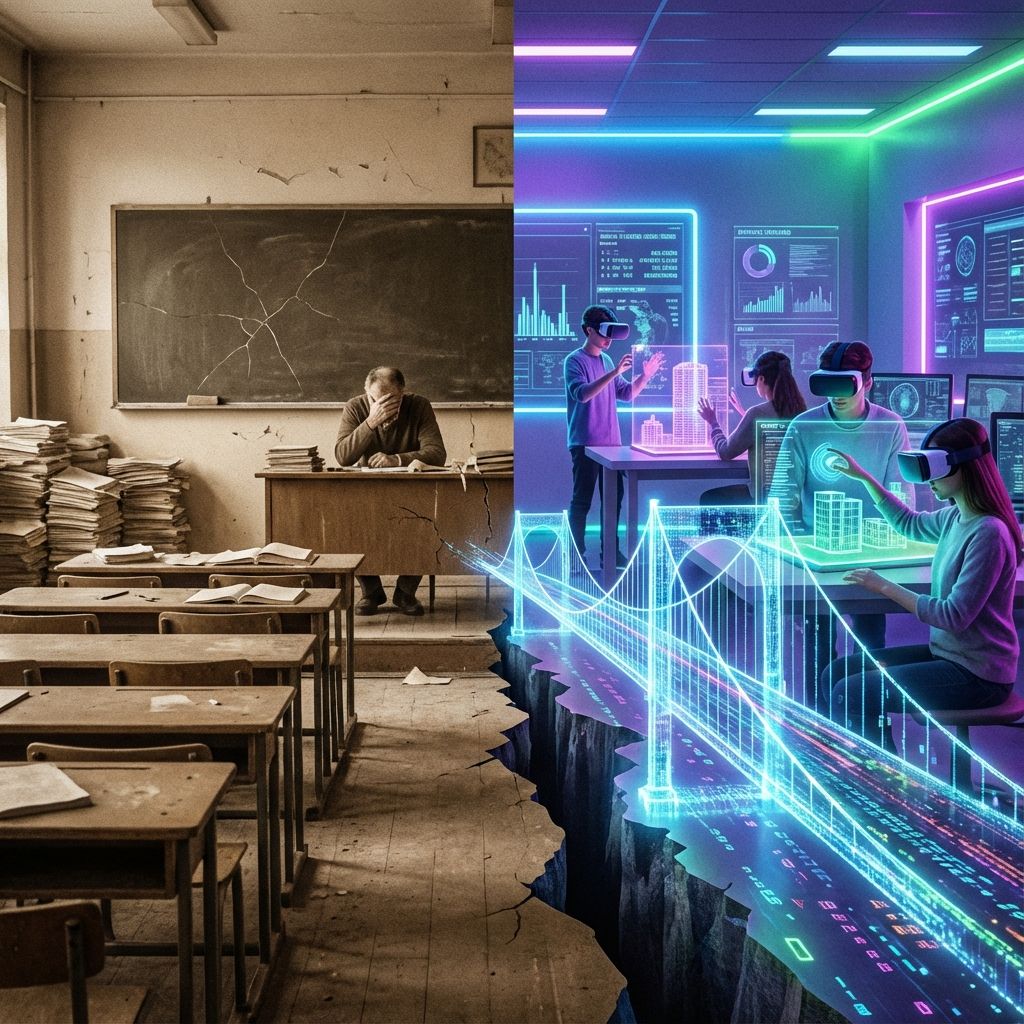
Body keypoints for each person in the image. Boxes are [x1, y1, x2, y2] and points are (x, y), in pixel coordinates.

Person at [825, 418, 1022, 751]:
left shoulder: (988, 532)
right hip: (949, 656)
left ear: (965, 469)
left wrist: (883, 586)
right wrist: (864, 477)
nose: (929, 483)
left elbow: (952, 616)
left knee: (855, 690)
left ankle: (880, 784)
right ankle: (867, 772)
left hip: (977, 676)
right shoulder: (957, 516)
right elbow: (909, 524)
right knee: (840, 671)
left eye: (935, 471)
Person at [768, 341, 911, 708]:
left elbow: (902, 498)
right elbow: (783, 499)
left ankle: (870, 724)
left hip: (874, 556)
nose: (836, 395)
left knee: (870, 642)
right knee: (818, 644)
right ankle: (820, 725)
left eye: (844, 385)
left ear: (867, 382)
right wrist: (798, 550)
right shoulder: (805, 426)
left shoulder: (891, 426)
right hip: (820, 554)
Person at [335, 366, 446, 616]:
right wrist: (371, 422)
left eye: (390, 400)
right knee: (351, 523)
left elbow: (437, 453)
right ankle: (370, 591)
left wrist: (397, 460)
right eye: (376, 399)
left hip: (411, 491)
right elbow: (343, 456)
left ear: (403, 393)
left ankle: (405, 592)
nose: (382, 405)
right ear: (366, 392)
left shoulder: (419, 406)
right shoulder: (355, 407)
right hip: (367, 492)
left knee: (426, 522)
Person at [564, 304, 664, 566]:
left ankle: (610, 553)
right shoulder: (574, 361)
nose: (608, 340)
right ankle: (577, 555)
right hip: (585, 444)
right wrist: (614, 373)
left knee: (613, 503)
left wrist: (646, 375)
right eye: (604, 333)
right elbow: (583, 394)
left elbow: (627, 394)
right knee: (582, 501)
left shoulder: (607, 360)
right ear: (589, 330)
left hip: (612, 447)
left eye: (611, 335)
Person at [696, 350, 807, 504]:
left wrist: (713, 422)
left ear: (761, 379)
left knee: (708, 498)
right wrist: (744, 414)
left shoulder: (757, 414)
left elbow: (725, 452)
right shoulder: (802, 412)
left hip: (763, 498)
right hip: (796, 498)